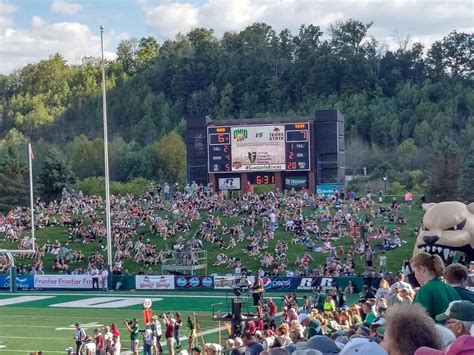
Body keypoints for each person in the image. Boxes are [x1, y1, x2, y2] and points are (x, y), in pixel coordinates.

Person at [411, 252, 460, 319]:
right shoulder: (450, 289)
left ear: (421, 269)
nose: (415, 275)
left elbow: (418, 322)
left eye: (414, 272)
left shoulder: (425, 290)